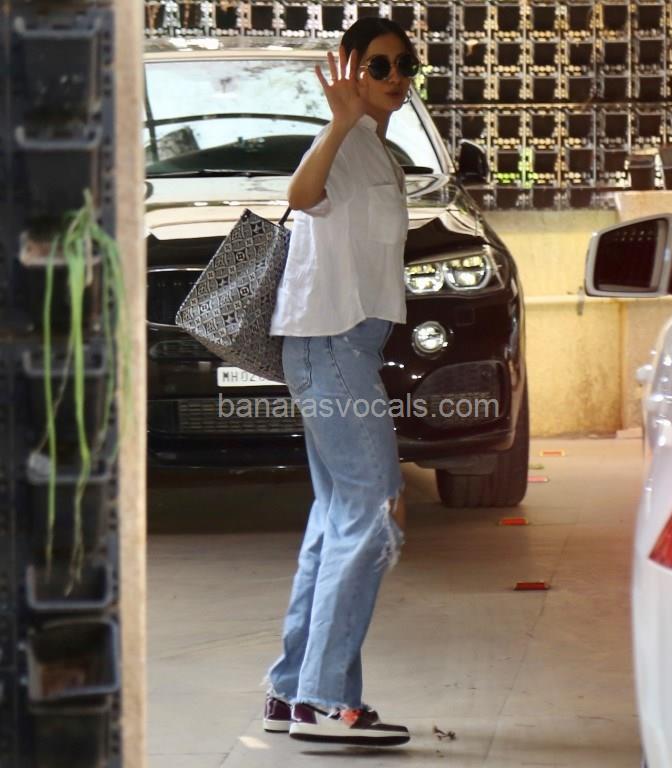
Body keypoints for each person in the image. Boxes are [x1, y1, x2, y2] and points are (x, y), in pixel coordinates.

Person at [262, 16, 420, 747]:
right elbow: (301, 194)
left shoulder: (377, 149)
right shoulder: (346, 142)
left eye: (405, 65)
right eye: (379, 65)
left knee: (337, 519)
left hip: (340, 345)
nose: (395, 78)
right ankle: (327, 699)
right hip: (333, 347)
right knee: (375, 511)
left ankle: (292, 691)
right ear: (351, 68)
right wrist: (337, 123)